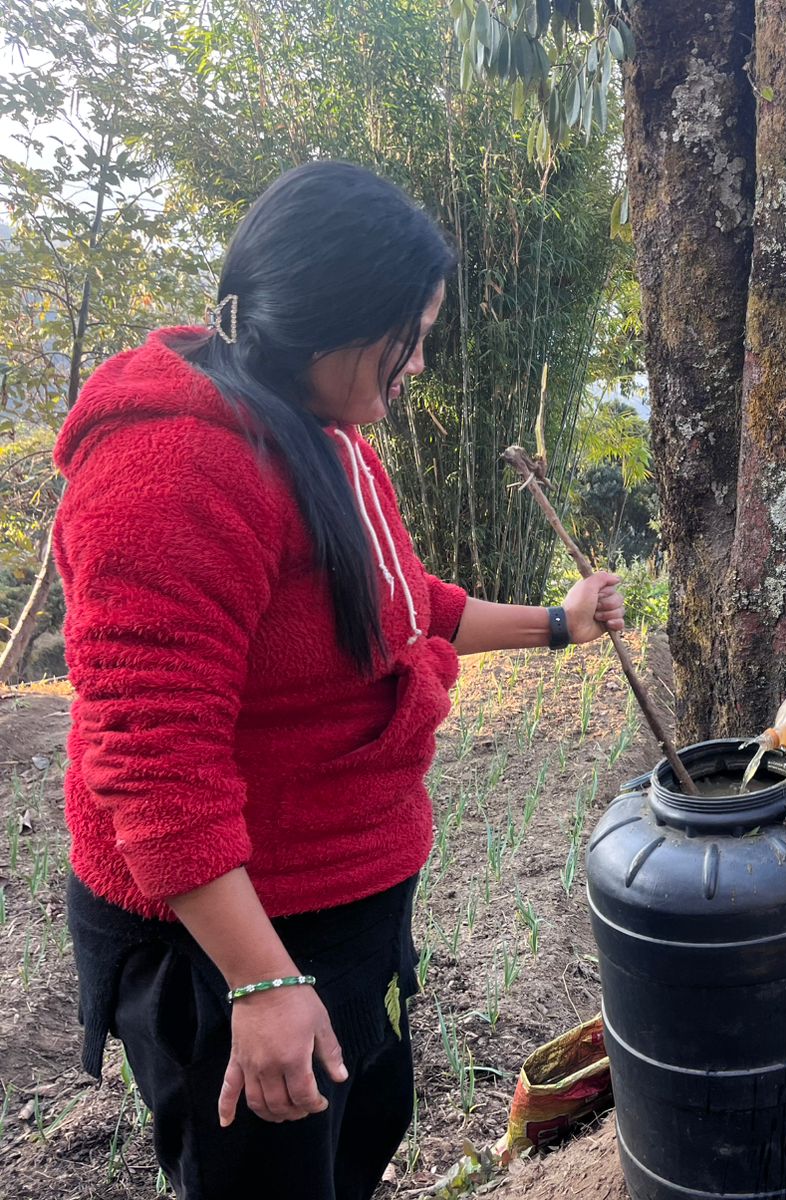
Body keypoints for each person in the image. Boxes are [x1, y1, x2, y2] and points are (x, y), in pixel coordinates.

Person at [56, 161, 623, 1200]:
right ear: (331, 318)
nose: (416, 363)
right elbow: (149, 760)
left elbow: (398, 601)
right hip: (233, 931)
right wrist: (261, 982)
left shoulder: (316, 429)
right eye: (406, 336)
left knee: (353, 1142)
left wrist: (557, 624)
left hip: (337, 897)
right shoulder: (174, 468)